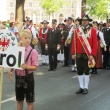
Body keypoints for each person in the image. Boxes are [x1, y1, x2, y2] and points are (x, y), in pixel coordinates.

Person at [8, 29, 38, 110]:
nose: (27, 40)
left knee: (29, 101)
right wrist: (10, 70)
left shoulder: (33, 51)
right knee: (19, 100)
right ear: (20, 39)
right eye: (25, 38)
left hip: (28, 78)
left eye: (29, 38)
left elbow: (35, 67)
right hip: (18, 77)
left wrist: (27, 67)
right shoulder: (17, 50)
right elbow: (15, 63)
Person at [71, 14, 98, 94]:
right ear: (81, 22)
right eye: (83, 21)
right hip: (79, 53)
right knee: (79, 71)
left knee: (86, 71)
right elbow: (74, 42)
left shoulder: (93, 30)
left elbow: (95, 44)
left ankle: (86, 87)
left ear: (88, 21)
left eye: (86, 20)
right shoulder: (77, 30)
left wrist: (92, 54)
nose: (84, 22)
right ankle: (81, 87)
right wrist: (73, 53)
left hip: (88, 54)